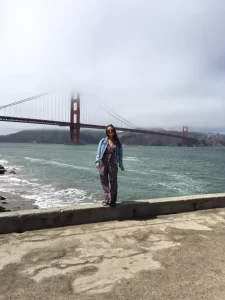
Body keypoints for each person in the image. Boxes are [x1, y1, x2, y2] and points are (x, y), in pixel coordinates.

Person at [95, 124, 124, 206]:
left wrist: (121, 165)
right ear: (106, 132)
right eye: (108, 131)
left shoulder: (118, 143)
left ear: (114, 131)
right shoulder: (103, 141)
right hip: (103, 163)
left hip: (113, 164)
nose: (110, 132)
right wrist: (97, 162)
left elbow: (120, 156)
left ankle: (113, 200)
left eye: (112, 130)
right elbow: (98, 153)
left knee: (113, 182)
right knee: (104, 181)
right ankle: (106, 199)